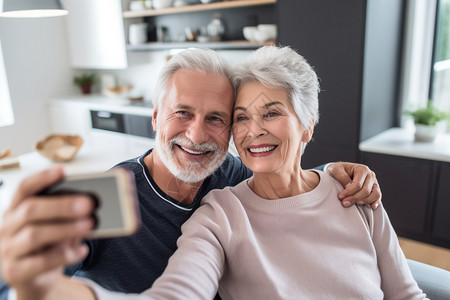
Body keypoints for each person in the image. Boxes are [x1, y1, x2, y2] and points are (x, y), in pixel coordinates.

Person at [0, 47, 382, 299]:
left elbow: (284, 181)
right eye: (182, 112)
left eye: (216, 118)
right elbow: (28, 281)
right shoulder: (104, 195)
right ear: (154, 116)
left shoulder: (228, 174)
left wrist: (334, 171)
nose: (197, 135)